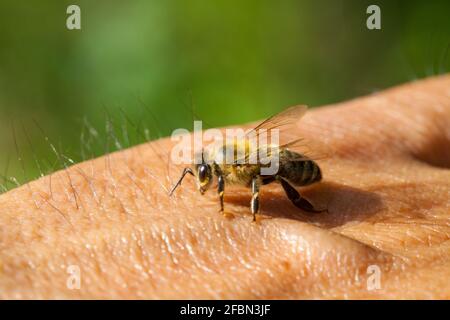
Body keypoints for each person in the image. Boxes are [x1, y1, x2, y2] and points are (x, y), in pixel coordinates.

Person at [0, 75, 449, 299]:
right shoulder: (224, 158)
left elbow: (256, 175)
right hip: (277, 159)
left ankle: (304, 208)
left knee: (269, 176)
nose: (206, 184)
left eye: (204, 178)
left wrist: (254, 216)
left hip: (290, 167)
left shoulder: (235, 165)